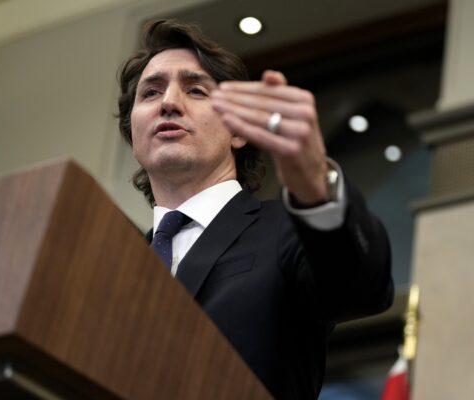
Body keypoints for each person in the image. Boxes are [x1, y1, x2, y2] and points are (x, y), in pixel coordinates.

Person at [117, 19, 394, 399]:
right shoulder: (116, 266)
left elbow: (361, 289)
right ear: (132, 133)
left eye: (195, 90)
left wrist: (315, 185)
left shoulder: (289, 230)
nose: (168, 102)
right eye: (150, 93)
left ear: (238, 129)